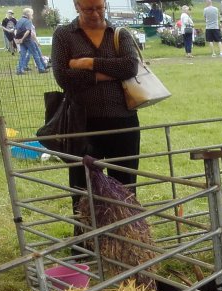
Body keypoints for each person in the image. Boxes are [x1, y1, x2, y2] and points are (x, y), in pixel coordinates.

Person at [52, 0, 142, 209]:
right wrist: (108, 75)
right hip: (81, 123)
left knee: (125, 185)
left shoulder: (119, 33)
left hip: (123, 121)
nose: (95, 14)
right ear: (76, 6)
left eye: (100, 8)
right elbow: (64, 77)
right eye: (88, 9)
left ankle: (125, 237)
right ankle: (86, 239)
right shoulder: (64, 35)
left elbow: (130, 67)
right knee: (83, 186)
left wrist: (87, 63)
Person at [15, 8, 48, 74]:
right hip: (28, 40)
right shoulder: (28, 21)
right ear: (28, 14)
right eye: (31, 13)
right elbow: (29, 31)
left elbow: (16, 31)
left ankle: (19, 70)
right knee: (35, 54)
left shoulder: (19, 21)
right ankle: (41, 69)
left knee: (22, 55)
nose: (32, 15)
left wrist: (18, 39)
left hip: (22, 41)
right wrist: (24, 39)